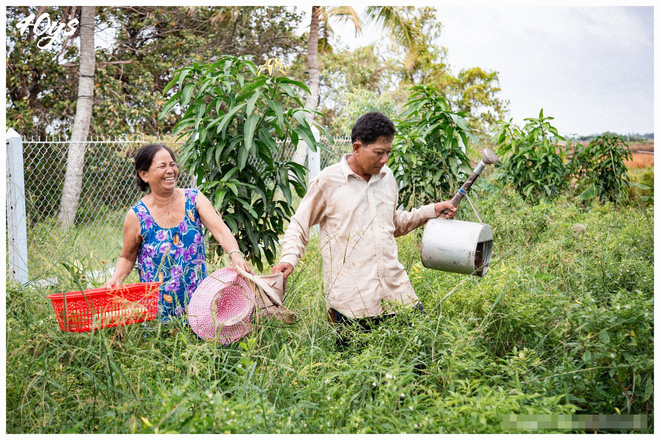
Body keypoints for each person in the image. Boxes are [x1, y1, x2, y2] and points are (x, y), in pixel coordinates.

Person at [271, 112, 458, 329]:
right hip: (352, 303)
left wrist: (431, 211)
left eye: (388, 152)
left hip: (396, 292)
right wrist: (289, 258)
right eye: (379, 152)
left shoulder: (387, 178)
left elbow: (393, 223)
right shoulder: (328, 182)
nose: (385, 159)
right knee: (358, 363)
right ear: (357, 148)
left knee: (420, 356)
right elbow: (299, 224)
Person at [103, 144, 250, 321]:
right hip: (157, 313)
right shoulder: (137, 215)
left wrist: (235, 254)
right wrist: (116, 279)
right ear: (144, 175)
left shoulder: (194, 199)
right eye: (162, 166)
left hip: (199, 308)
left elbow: (220, 230)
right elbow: (127, 256)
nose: (170, 170)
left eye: (172, 164)